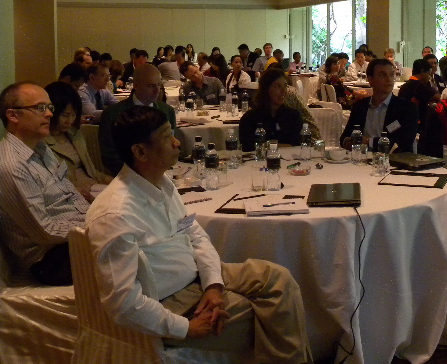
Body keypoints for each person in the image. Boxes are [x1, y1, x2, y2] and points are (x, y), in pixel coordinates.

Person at [87, 105, 312, 361]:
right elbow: (122, 303)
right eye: (167, 137)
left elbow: (195, 235)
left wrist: (213, 285)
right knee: (271, 315)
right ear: (140, 151)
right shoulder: (115, 214)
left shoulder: (163, 183)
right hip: (171, 301)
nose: (176, 143)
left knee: (279, 280)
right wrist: (185, 328)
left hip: (195, 278)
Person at [0, 82, 89, 285]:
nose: (49, 114)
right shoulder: (11, 166)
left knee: (143, 231)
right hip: (49, 260)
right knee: (135, 244)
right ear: (13, 115)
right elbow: (45, 231)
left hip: (73, 238)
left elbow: (68, 193)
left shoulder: (41, 147)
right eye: (40, 108)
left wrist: (97, 213)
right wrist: (97, 225)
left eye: (50, 107)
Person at [100, 64, 177, 176]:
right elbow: (109, 156)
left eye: (159, 85)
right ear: (135, 85)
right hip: (127, 177)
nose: (157, 91)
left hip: (164, 174)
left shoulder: (167, 111)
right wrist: (142, 174)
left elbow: (171, 147)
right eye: (151, 86)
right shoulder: (113, 114)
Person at [44, 81, 112, 201]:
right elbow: (50, 187)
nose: (70, 121)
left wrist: (114, 181)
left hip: (95, 187)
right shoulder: (42, 143)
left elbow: (92, 172)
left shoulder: (74, 134)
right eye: (65, 115)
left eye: (73, 115)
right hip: (74, 197)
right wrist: (78, 191)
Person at [340, 59, 418, 152]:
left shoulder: (406, 108)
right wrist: (347, 142)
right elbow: (345, 137)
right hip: (361, 158)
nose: (389, 79)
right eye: (382, 75)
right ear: (370, 79)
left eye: (391, 75)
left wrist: (368, 141)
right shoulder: (360, 106)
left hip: (393, 159)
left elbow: (404, 143)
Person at [239, 68, 303, 150]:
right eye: (277, 86)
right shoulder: (250, 118)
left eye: (285, 86)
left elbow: (297, 146)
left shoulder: (293, 116)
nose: (283, 91)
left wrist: (266, 146)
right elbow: (247, 148)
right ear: (266, 89)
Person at [398, 58, 440, 129]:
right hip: (417, 124)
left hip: (404, 121)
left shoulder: (404, 86)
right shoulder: (420, 86)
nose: (429, 77)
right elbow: (439, 97)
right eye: (429, 74)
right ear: (422, 71)